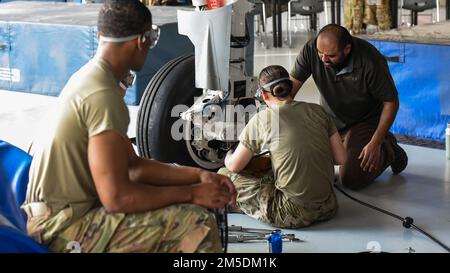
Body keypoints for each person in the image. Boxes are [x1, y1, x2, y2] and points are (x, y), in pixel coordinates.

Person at [23, 0, 236, 253]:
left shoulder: (89, 78)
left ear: (101, 36)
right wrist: (191, 193)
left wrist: (199, 176)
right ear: (142, 40)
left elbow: (133, 167)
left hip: (54, 216)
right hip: (62, 228)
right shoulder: (102, 95)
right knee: (194, 222)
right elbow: (117, 198)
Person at [218, 65, 347, 228]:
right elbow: (341, 158)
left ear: (263, 95)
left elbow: (235, 166)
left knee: (224, 176)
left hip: (290, 212)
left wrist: (228, 156)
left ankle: (238, 206)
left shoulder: (262, 119)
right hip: (328, 205)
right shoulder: (318, 111)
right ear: (290, 87)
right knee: (271, 166)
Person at [290, 24, 408, 190]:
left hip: (364, 123)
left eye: (331, 55)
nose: (323, 59)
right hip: (330, 121)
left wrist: (375, 142)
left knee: (351, 178)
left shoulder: (370, 61)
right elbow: (290, 89)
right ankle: (345, 145)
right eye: (320, 53)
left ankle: (389, 149)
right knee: (307, 164)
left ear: (347, 49)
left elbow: (391, 102)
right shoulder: (311, 49)